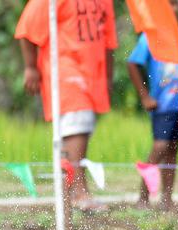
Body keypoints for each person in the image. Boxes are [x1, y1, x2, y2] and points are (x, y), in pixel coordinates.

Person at [15, 0, 117, 213]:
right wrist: (30, 67)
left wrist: (107, 77)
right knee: (76, 126)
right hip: (65, 69)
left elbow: (108, 41)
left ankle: (67, 193)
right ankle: (79, 192)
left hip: (92, 75)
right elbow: (26, 29)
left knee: (80, 130)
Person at [127, 0, 178, 210]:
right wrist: (144, 96)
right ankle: (143, 197)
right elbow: (132, 63)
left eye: (176, 4)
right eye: (168, 4)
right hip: (161, 105)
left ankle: (167, 199)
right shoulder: (151, 35)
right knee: (159, 147)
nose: (172, 9)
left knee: (173, 151)